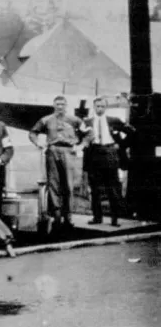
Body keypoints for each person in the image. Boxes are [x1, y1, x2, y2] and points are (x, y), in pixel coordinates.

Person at [29, 95, 87, 230]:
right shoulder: (46, 120)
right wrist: (39, 143)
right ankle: (56, 215)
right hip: (52, 151)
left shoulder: (74, 120)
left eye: (62, 104)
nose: (60, 107)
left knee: (68, 185)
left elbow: (89, 133)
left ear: (66, 106)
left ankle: (68, 216)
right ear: (54, 105)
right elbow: (33, 132)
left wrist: (81, 145)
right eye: (57, 104)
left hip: (68, 152)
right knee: (53, 184)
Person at [83, 96, 135, 227]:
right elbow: (81, 138)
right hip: (94, 154)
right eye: (97, 106)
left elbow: (132, 133)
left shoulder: (113, 120)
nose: (99, 108)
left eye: (102, 106)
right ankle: (97, 217)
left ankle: (115, 218)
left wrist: (120, 145)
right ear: (94, 107)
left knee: (113, 188)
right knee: (95, 188)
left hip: (109, 153)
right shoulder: (87, 122)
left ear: (105, 107)